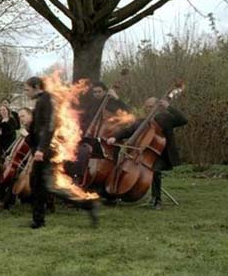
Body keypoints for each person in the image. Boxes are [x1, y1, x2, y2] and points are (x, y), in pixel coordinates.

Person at [25, 76, 100, 229]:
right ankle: (38, 221)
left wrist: (41, 149)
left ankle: (88, 204)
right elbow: (39, 127)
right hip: (42, 150)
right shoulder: (41, 101)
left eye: (27, 89)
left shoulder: (47, 100)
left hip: (47, 151)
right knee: (37, 185)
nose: (26, 93)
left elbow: (49, 127)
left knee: (51, 186)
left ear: (36, 87)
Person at [107, 96, 188, 209]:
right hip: (144, 157)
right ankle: (122, 193)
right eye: (147, 107)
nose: (148, 109)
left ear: (157, 107)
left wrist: (168, 107)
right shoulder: (142, 122)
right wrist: (114, 138)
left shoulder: (165, 118)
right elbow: (127, 131)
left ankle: (157, 199)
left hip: (163, 155)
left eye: (151, 107)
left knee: (155, 170)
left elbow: (183, 120)